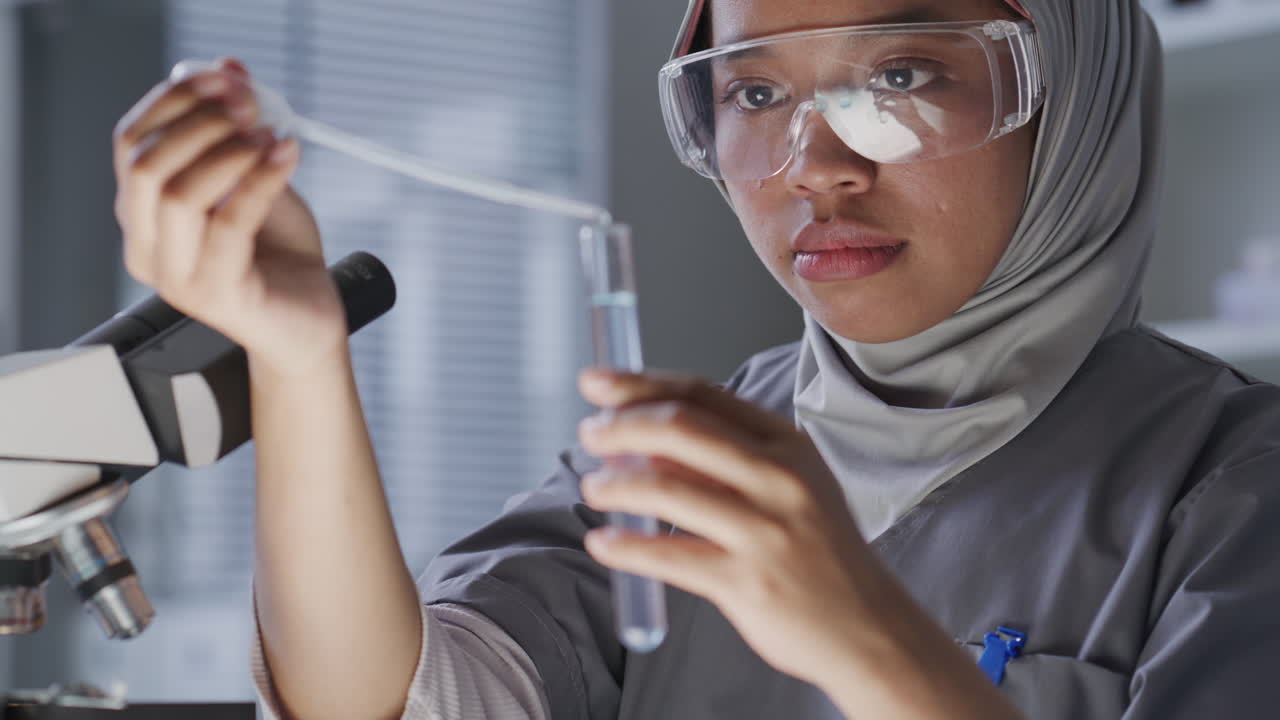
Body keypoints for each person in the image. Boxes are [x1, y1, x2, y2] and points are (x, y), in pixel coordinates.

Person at [110, 0, 1280, 717]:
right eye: (755, 90)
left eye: (902, 76)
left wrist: (862, 639)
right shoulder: (676, 465)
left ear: (1073, 94)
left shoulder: (1232, 489)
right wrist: (297, 357)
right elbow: (378, 704)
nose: (812, 166)